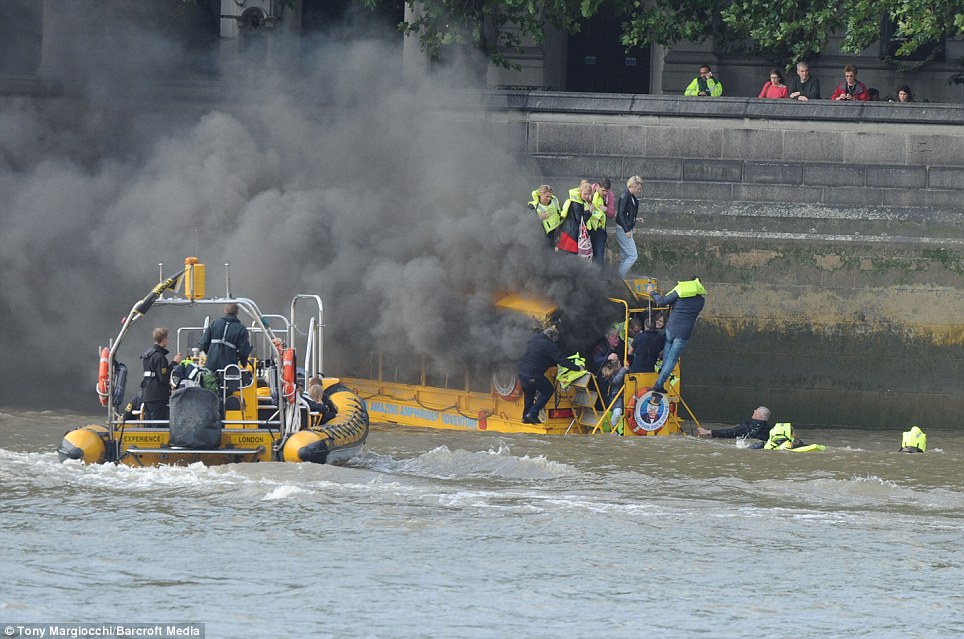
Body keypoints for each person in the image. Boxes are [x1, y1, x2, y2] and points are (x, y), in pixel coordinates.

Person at [649, 277, 707, 394]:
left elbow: (661, 301)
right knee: (672, 359)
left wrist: (652, 293)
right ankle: (659, 384)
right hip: (683, 333)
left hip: (671, 328)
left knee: (668, 350)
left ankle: (662, 374)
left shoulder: (679, 293)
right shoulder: (701, 301)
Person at [517, 326, 582, 424]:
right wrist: (577, 368)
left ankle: (525, 417)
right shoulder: (549, 345)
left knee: (529, 394)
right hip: (533, 375)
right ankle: (533, 413)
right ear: (552, 337)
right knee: (548, 390)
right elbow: (562, 360)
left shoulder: (534, 338)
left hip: (522, 373)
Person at [141, 327, 182, 422]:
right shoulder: (159, 357)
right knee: (158, 425)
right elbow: (163, 377)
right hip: (157, 395)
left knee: (148, 423)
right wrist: (174, 363)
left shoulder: (147, 355)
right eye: (167, 338)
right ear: (163, 340)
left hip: (147, 393)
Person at [199, 303, 253, 375]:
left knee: (209, 384)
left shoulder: (214, 323)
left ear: (225, 311)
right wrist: (244, 364)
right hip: (229, 370)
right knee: (228, 385)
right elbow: (243, 352)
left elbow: (203, 344)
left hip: (210, 367)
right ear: (237, 312)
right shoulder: (241, 329)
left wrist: (211, 354)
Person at [558, 181, 601, 261]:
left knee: (567, 256)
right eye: (585, 194)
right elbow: (580, 220)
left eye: (588, 194)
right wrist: (590, 211)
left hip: (569, 231)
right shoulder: (576, 203)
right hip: (571, 234)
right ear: (580, 192)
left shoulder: (577, 201)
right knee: (571, 257)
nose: (587, 196)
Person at [614, 175, 642, 279]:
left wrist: (635, 220)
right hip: (623, 230)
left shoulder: (630, 196)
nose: (640, 190)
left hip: (626, 228)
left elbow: (627, 213)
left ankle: (620, 278)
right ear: (633, 186)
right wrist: (626, 230)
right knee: (633, 256)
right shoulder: (625, 195)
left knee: (626, 256)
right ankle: (619, 278)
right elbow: (620, 214)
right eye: (638, 188)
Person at [696, 406, 771, 441]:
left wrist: (708, 432)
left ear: (759, 415)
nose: (754, 410)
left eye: (756, 410)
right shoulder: (768, 428)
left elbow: (731, 432)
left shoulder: (749, 425)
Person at [590, 178, 615, 265]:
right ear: (597, 186)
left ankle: (598, 276)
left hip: (600, 228)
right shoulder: (588, 190)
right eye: (603, 190)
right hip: (587, 227)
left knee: (599, 254)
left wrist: (606, 209)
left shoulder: (610, 195)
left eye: (607, 191)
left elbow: (612, 214)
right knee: (586, 253)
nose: (605, 193)